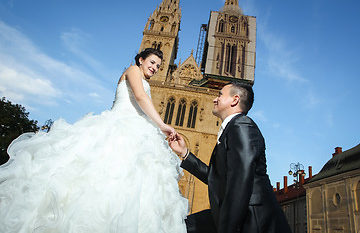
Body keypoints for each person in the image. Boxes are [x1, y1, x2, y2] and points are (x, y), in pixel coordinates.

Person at [0, 48, 188, 233]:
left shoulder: (144, 80)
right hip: (121, 127)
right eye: (152, 62)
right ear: (140, 60)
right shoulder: (133, 70)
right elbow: (140, 97)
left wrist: (158, 128)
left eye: (158, 66)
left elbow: (144, 106)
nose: (155, 68)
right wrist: (163, 125)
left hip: (137, 130)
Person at [168, 82, 292, 233]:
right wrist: (184, 153)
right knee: (177, 227)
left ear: (235, 100)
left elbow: (240, 180)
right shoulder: (232, 128)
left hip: (251, 219)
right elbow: (217, 178)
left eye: (220, 95)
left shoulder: (242, 125)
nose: (215, 99)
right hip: (232, 213)